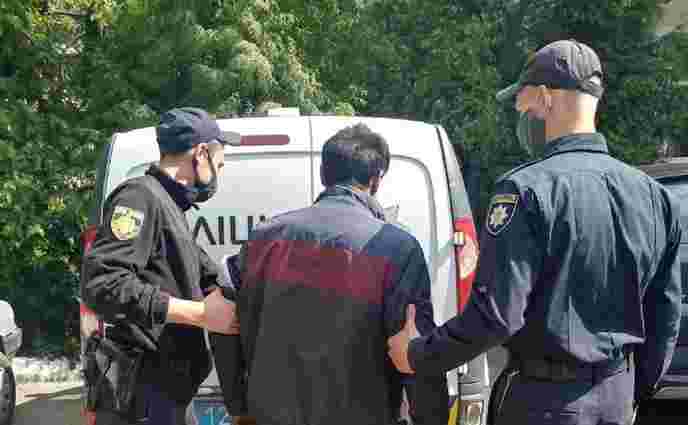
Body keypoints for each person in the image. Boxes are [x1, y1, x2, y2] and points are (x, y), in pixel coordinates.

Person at [387, 39, 683, 425]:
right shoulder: (653, 196)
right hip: (616, 398)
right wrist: (628, 390)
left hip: (544, 403)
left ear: (545, 97)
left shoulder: (525, 190)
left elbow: (495, 317)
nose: (520, 113)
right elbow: (665, 316)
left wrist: (417, 355)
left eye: (522, 102)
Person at [222, 123, 448, 425]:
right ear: (376, 179)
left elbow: (223, 318)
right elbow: (415, 347)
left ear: (323, 175)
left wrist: (238, 403)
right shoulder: (397, 248)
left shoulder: (263, 238)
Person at [81, 107, 240, 425]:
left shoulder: (169, 205)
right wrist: (200, 314)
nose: (218, 174)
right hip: (144, 397)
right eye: (219, 165)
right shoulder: (139, 197)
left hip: (166, 394)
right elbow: (102, 284)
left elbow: (201, 274)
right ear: (201, 154)